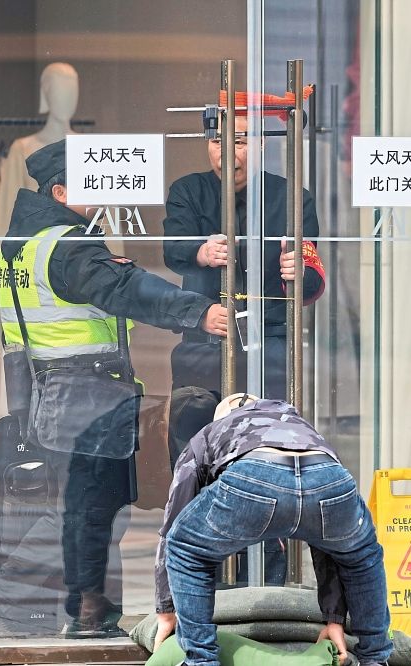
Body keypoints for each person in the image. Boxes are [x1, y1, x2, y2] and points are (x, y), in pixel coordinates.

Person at [0, 139, 229, 639]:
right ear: (62, 190)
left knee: (88, 512)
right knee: (88, 514)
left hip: (54, 391)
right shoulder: (66, 245)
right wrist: (196, 311)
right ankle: (13, 596)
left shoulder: (24, 243)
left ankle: (92, 617)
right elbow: (123, 288)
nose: (102, 187)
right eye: (91, 180)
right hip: (85, 394)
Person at [162, 113, 327, 583]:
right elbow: (171, 247)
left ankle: (269, 583)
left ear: (261, 145)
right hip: (204, 343)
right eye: (216, 140)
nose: (225, 151)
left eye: (238, 141)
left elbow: (315, 275)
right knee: (196, 462)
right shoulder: (188, 191)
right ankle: (197, 582)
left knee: (268, 460)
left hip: (269, 345)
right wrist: (199, 252)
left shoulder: (291, 198)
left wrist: (303, 272)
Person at [153, 393, 393, 666]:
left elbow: (174, 521)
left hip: (255, 475)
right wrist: (334, 618)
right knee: (361, 557)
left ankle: (201, 660)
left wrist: (167, 610)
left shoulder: (210, 432)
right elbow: (330, 546)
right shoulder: (301, 427)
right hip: (329, 476)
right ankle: (376, 658)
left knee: (185, 547)